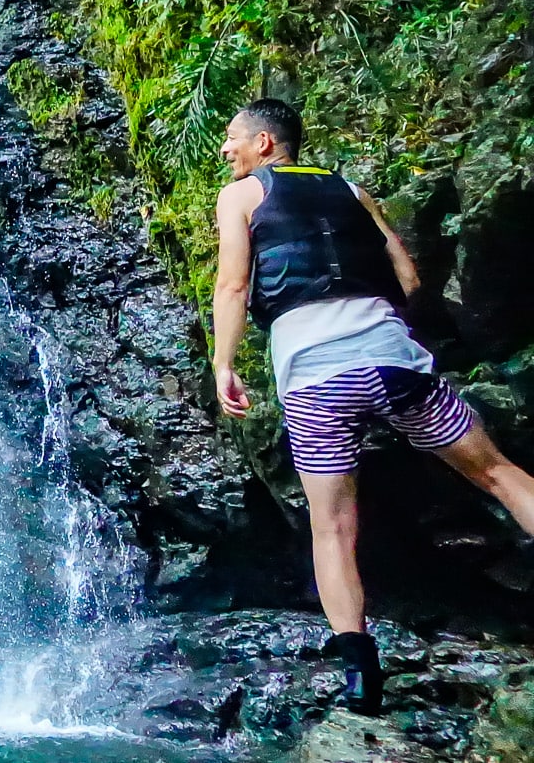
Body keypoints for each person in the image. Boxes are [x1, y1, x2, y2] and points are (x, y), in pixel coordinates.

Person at [210, 97, 534, 714]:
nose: (226, 150)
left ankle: (361, 681)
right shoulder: (352, 191)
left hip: (316, 376)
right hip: (393, 359)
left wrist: (224, 363)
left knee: (332, 528)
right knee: (497, 472)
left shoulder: (243, 196)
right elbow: (408, 280)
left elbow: (232, 284)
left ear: (265, 145)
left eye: (233, 139)